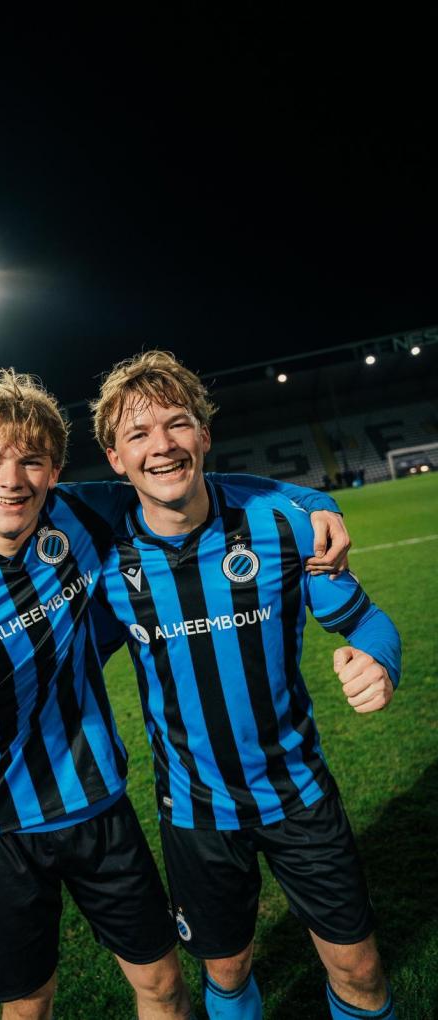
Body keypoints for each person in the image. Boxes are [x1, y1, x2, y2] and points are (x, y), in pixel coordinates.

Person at [0, 369, 347, 1019]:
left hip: (102, 812)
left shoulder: (85, 515)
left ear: (56, 470)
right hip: (1, 828)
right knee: (28, 1008)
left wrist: (322, 507)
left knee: (166, 988)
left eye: (32, 461)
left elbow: (205, 489)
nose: (12, 479)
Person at [90, 351, 401, 1020]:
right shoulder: (107, 562)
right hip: (196, 813)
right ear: (115, 459)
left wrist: (378, 660)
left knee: (362, 970)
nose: (162, 446)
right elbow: (61, 662)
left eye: (177, 425)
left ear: (205, 434)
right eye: (137, 435)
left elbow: (367, 621)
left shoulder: (285, 525)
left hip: (298, 795)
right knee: (226, 973)